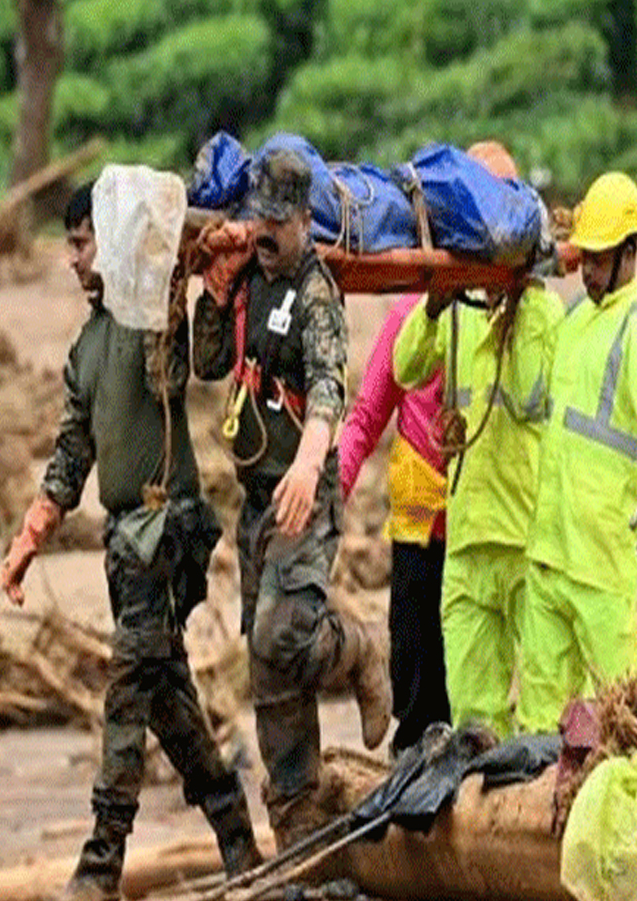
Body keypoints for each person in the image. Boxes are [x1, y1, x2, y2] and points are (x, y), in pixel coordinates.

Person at [1, 183, 261, 901]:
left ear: (108, 244)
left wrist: (204, 279)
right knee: (168, 699)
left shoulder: (153, 320)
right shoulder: (85, 350)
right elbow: (69, 457)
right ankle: (237, 836)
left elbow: (203, 354)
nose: (70, 258)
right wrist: (29, 540)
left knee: (126, 691)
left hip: (164, 538)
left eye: (81, 242)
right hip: (124, 545)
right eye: (69, 244)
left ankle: (100, 865)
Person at [193, 148, 391, 851]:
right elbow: (206, 362)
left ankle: (364, 647)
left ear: (306, 220)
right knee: (267, 662)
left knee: (285, 632)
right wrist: (215, 298)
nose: (269, 231)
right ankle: (299, 820)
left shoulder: (315, 292)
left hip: (305, 490)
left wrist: (310, 466)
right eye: (261, 218)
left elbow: (331, 387)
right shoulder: (248, 278)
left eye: (281, 219)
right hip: (255, 500)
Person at [393, 141, 566, 739]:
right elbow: (406, 366)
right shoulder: (455, 310)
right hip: (467, 537)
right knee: (472, 713)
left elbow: (530, 392)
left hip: (526, 536)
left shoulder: (544, 317)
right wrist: (437, 305)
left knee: (545, 707)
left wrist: (515, 303)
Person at [521, 171, 637, 734]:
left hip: (600, 559)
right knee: (540, 715)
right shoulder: (574, 320)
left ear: (631, 252)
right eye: (585, 258)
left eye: (600, 259)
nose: (587, 272)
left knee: (617, 715)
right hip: (550, 550)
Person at [339, 292, 451, 755]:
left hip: (486, 528)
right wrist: (331, 494)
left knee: (473, 683)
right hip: (419, 526)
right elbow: (367, 416)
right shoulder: (408, 316)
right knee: (414, 671)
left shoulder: (497, 310)